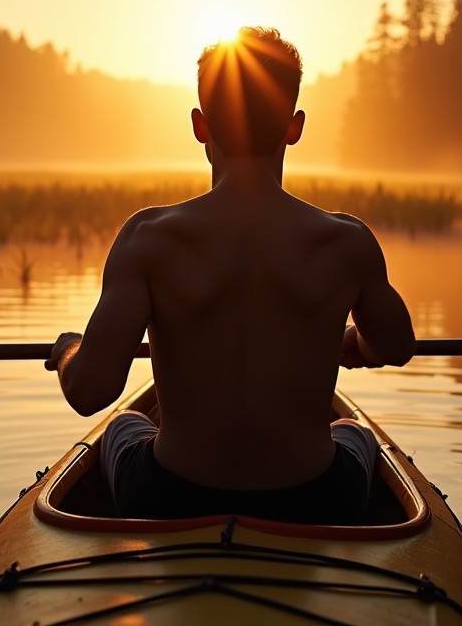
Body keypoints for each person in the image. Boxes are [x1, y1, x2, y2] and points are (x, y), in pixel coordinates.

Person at [46, 26, 415, 524]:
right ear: (295, 126)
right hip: (315, 500)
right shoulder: (345, 242)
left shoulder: (148, 238)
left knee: (123, 425)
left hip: (170, 498)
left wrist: (70, 350)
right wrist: (359, 343)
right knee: (357, 434)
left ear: (200, 125)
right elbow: (395, 347)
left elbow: (91, 392)